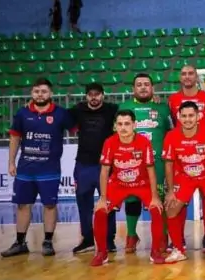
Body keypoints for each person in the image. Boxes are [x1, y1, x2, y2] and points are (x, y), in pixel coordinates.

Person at [2, 78, 75, 257]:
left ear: (50, 93)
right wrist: (11, 161)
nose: (40, 94)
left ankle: (48, 242)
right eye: (36, 91)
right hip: (25, 169)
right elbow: (15, 138)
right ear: (31, 94)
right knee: (22, 205)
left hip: (49, 170)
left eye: (43, 91)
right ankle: (20, 243)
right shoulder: (22, 113)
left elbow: (77, 127)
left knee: (49, 205)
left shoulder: (60, 113)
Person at [91, 110, 163, 266]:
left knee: (156, 209)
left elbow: (151, 170)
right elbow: (104, 172)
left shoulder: (144, 142)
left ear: (134, 125)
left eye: (127, 124)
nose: (123, 128)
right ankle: (101, 253)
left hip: (142, 183)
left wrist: (155, 196)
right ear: (115, 126)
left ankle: (155, 251)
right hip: (118, 184)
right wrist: (103, 199)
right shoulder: (109, 142)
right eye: (120, 124)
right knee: (100, 212)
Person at [162, 101, 205, 263]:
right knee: (171, 208)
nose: (187, 119)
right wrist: (171, 191)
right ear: (178, 117)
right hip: (185, 177)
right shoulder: (171, 136)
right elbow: (169, 164)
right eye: (184, 116)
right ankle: (178, 249)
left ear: (198, 117)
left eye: (191, 115)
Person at [118, 73, 172, 253]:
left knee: (161, 199)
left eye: (146, 84)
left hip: (158, 164)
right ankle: (132, 235)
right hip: (132, 163)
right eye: (139, 84)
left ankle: (163, 235)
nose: (143, 87)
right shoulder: (124, 108)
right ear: (133, 89)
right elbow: (117, 135)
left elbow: (171, 135)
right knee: (132, 198)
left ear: (152, 88)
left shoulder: (163, 109)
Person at [167, 63, 205, 253]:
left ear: (197, 77)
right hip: (183, 156)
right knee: (180, 199)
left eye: (191, 73)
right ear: (180, 78)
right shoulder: (173, 99)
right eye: (184, 74)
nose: (187, 76)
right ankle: (178, 240)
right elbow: (174, 123)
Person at [70, 83, 118, 254]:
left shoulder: (112, 109)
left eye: (97, 94)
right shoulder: (77, 110)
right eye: (90, 94)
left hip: (106, 165)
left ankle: (109, 239)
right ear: (86, 96)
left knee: (108, 203)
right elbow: (57, 115)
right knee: (84, 204)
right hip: (83, 164)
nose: (94, 97)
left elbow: (130, 112)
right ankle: (88, 239)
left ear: (103, 95)